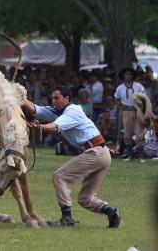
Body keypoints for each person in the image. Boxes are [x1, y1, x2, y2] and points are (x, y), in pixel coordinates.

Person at [22, 86, 121, 228]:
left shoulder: (72, 111)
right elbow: (36, 109)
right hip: (101, 153)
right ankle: (112, 213)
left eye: (57, 98)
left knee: (59, 176)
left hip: (95, 152)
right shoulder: (58, 112)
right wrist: (17, 95)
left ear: (66, 99)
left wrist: (38, 127)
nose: (53, 101)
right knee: (85, 199)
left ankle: (66, 219)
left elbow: (54, 128)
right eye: (52, 98)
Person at [114, 67, 146, 163]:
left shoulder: (138, 86)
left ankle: (140, 156)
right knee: (127, 134)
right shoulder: (120, 88)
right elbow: (116, 99)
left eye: (130, 74)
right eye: (126, 74)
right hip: (127, 111)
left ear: (132, 76)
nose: (128, 76)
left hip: (138, 110)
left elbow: (144, 98)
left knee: (140, 133)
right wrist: (120, 109)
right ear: (124, 76)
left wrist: (143, 109)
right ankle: (130, 156)